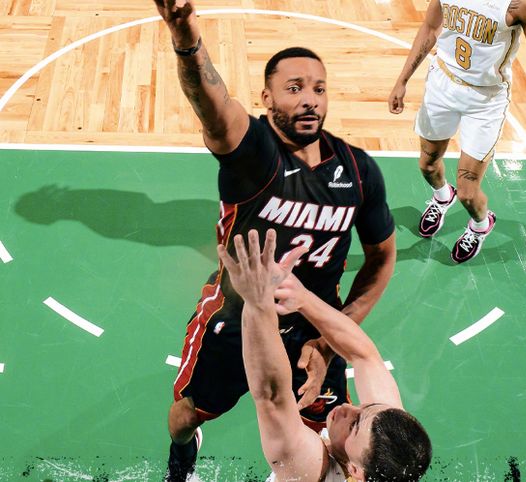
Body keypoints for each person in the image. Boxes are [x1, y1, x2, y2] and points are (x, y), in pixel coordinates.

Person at [152, 1, 397, 480]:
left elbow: (382, 258)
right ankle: (183, 451)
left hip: (314, 331)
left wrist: (330, 341)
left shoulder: (358, 171)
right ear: (266, 98)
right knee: (184, 418)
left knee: (338, 444)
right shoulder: (254, 153)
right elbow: (212, 104)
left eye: (319, 89)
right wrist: (184, 35)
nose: (311, 100)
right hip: (237, 319)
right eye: (295, 88)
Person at [217, 229, 432, 482]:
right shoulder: (388, 447)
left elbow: (272, 397)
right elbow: (364, 355)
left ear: (355, 472)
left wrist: (257, 302)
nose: (348, 408)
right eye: (365, 409)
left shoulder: (311, 470)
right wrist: (302, 298)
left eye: (353, 426)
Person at [389, 0, 526, 263]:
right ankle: (442, 197)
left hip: (485, 101)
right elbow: (430, 28)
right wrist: (402, 80)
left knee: (468, 193)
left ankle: (481, 225)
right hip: (442, 84)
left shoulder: (520, 4)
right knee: (427, 166)